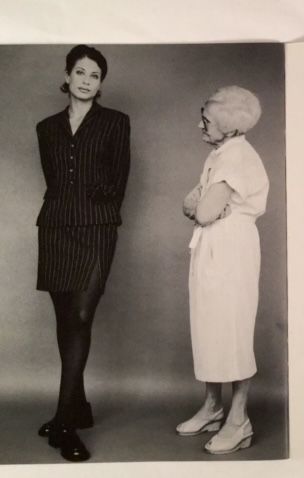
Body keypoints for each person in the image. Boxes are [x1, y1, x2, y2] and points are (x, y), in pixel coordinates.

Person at [35, 45, 130, 462]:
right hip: (56, 228)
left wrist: (95, 208)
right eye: (80, 72)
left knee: (80, 316)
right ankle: (79, 406)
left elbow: (119, 179)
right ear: (67, 76)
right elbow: (55, 181)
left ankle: (64, 422)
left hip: (96, 229)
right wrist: (70, 206)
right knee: (65, 320)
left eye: (95, 75)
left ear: (101, 82)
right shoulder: (46, 128)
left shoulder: (116, 122)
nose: (87, 80)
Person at [176, 86, 269, 454]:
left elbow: (200, 211)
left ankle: (239, 420)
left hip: (231, 251)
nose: (200, 125)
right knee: (209, 327)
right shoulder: (221, 154)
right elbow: (192, 204)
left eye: (207, 121)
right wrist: (202, 205)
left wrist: (202, 205)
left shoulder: (237, 158)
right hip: (213, 246)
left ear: (230, 127)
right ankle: (213, 408)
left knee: (232, 330)